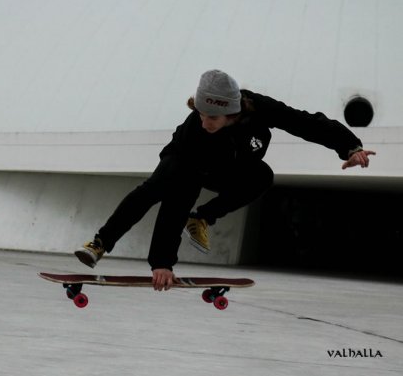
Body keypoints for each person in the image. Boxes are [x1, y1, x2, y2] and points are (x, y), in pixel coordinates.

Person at [74, 69, 376, 291]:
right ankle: (101, 243)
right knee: (154, 190)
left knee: (262, 176)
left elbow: (305, 123)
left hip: (227, 168)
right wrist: (162, 263)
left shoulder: (260, 108)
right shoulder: (196, 133)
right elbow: (176, 204)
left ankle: (203, 219)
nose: (204, 122)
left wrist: (350, 146)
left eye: (212, 118)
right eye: (200, 114)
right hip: (183, 161)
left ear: (232, 112)